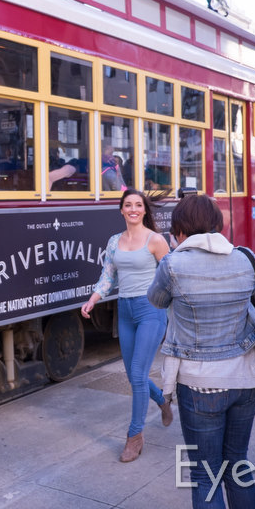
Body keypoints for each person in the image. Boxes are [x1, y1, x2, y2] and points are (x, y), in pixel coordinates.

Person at [146, 194, 255, 508]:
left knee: (206, 473)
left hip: (201, 382)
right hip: (246, 379)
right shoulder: (247, 257)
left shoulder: (173, 264)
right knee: (237, 463)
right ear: (218, 225)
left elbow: (156, 301)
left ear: (180, 230)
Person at [81, 189, 172, 462]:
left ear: (145, 210)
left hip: (150, 311)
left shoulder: (156, 240)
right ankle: (162, 400)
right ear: (121, 210)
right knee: (135, 376)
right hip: (125, 310)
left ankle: (134, 437)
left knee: (137, 373)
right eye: (128, 205)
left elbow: (171, 277)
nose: (133, 209)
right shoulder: (113, 242)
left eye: (138, 205)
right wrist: (93, 299)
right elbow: (107, 276)